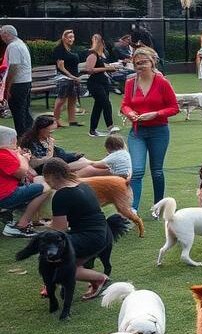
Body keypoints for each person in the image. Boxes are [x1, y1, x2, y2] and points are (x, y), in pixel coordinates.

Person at [120, 46, 180, 210]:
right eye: (137, 63)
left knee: (157, 171)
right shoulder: (130, 83)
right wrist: (130, 112)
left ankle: (158, 205)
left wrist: (156, 114)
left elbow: (174, 108)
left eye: (143, 62)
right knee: (137, 170)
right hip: (137, 132)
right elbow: (124, 105)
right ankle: (133, 208)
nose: (140, 66)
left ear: (152, 62)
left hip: (159, 131)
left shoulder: (162, 82)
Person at [43, 158, 111, 300]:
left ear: (51, 176)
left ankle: (100, 279)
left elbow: (59, 231)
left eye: (46, 178)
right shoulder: (83, 185)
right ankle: (93, 280)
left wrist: (46, 228)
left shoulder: (61, 195)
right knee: (70, 264)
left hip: (89, 237)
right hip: (103, 234)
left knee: (59, 265)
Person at [0, 126, 51, 237]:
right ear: (12, 140)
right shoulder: (3, 154)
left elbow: (29, 175)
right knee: (46, 187)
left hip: (6, 192)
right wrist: (24, 158)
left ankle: (23, 216)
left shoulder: (6, 153)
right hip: (5, 196)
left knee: (37, 181)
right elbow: (22, 173)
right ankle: (20, 226)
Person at [19, 115, 92, 173]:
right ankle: (98, 163)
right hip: (49, 167)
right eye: (50, 131)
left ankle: (97, 164)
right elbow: (40, 162)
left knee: (83, 160)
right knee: (87, 165)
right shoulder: (31, 142)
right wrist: (50, 147)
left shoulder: (43, 138)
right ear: (41, 129)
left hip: (60, 160)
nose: (51, 134)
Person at [84, 33, 121, 137]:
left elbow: (102, 65)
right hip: (95, 83)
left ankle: (92, 130)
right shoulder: (92, 54)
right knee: (106, 103)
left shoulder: (100, 55)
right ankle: (110, 126)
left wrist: (111, 67)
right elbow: (89, 70)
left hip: (103, 82)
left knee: (98, 106)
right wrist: (107, 68)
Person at [0, 25, 33, 136]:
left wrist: (8, 86)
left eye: (2, 33)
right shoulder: (20, 43)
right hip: (26, 81)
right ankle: (30, 134)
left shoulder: (13, 46)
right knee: (24, 110)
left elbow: (14, 67)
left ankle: (22, 136)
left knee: (18, 111)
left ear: (6, 34)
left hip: (18, 83)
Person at [52, 29, 83, 129]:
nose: (71, 39)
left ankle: (72, 121)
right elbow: (61, 67)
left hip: (73, 79)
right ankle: (55, 121)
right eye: (69, 37)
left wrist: (75, 77)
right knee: (61, 100)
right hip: (64, 78)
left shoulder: (70, 49)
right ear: (64, 38)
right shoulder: (59, 49)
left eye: (73, 37)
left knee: (73, 99)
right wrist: (72, 76)